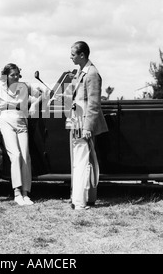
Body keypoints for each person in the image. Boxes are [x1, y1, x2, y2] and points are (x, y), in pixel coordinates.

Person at [65, 41, 108, 210]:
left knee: (82, 162)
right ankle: (83, 199)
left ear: (82, 55)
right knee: (80, 161)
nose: (70, 57)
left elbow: (93, 104)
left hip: (83, 124)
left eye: (73, 54)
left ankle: (79, 202)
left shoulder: (92, 74)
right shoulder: (82, 72)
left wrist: (87, 127)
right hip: (77, 122)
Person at [0, 63, 41, 206]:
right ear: (6, 76)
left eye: (17, 74)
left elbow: (43, 95)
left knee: (25, 156)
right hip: (6, 120)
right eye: (12, 75)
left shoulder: (25, 87)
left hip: (22, 121)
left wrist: (35, 105)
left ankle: (26, 193)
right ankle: (17, 193)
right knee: (16, 155)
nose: (16, 77)